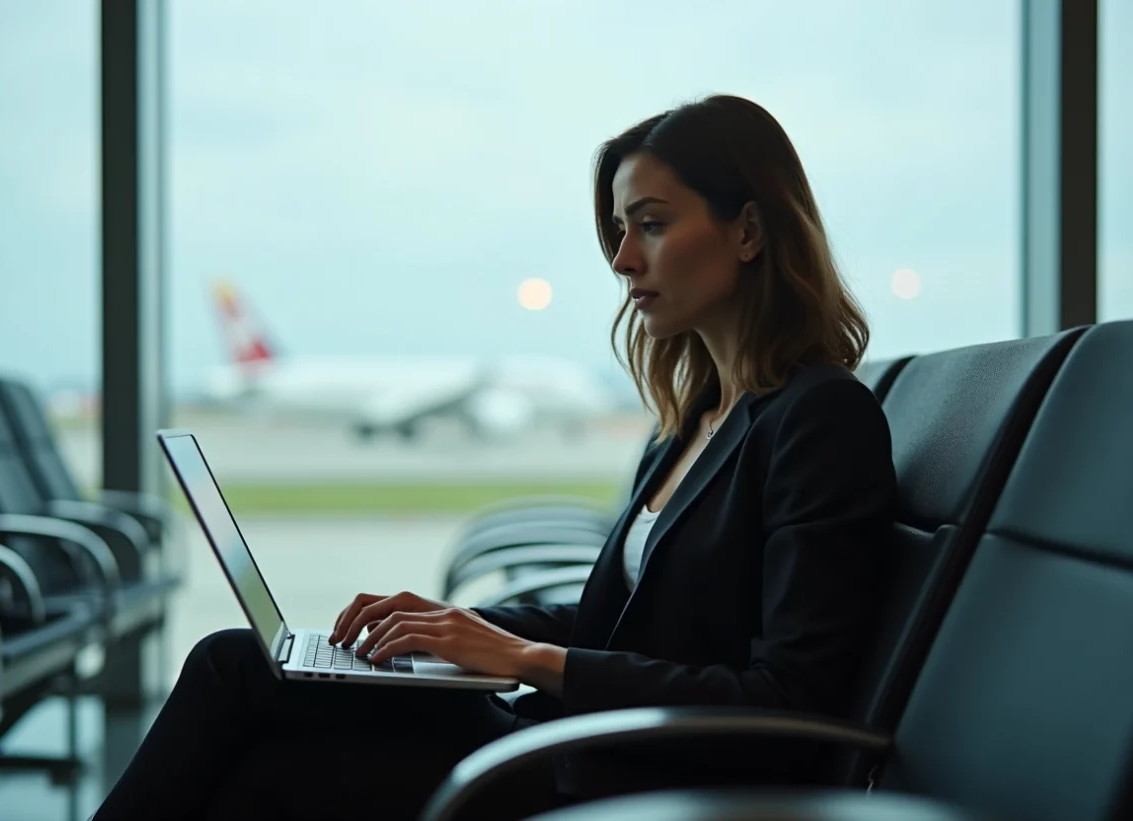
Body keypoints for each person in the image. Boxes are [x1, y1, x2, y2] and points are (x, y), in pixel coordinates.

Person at [92, 94, 895, 821]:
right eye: (619, 230)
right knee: (245, 671)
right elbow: (625, 623)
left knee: (247, 724)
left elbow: (789, 699)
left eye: (650, 224)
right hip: (574, 738)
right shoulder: (695, 420)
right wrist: (453, 628)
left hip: (629, 773)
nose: (622, 259)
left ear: (749, 231)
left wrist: (523, 657)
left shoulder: (818, 417)